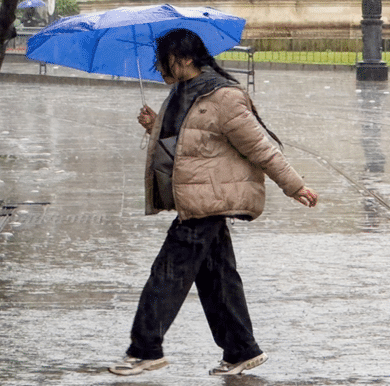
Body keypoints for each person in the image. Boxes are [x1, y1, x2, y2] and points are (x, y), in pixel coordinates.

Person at [109, 29, 318, 376]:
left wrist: (294, 186)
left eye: (164, 59)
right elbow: (190, 144)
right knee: (217, 278)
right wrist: (154, 126)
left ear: (186, 59)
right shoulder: (180, 94)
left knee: (167, 273)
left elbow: (260, 146)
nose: (158, 65)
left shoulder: (223, 97)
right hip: (195, 199)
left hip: (209, 199)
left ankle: (145, 349)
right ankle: (241, 349)